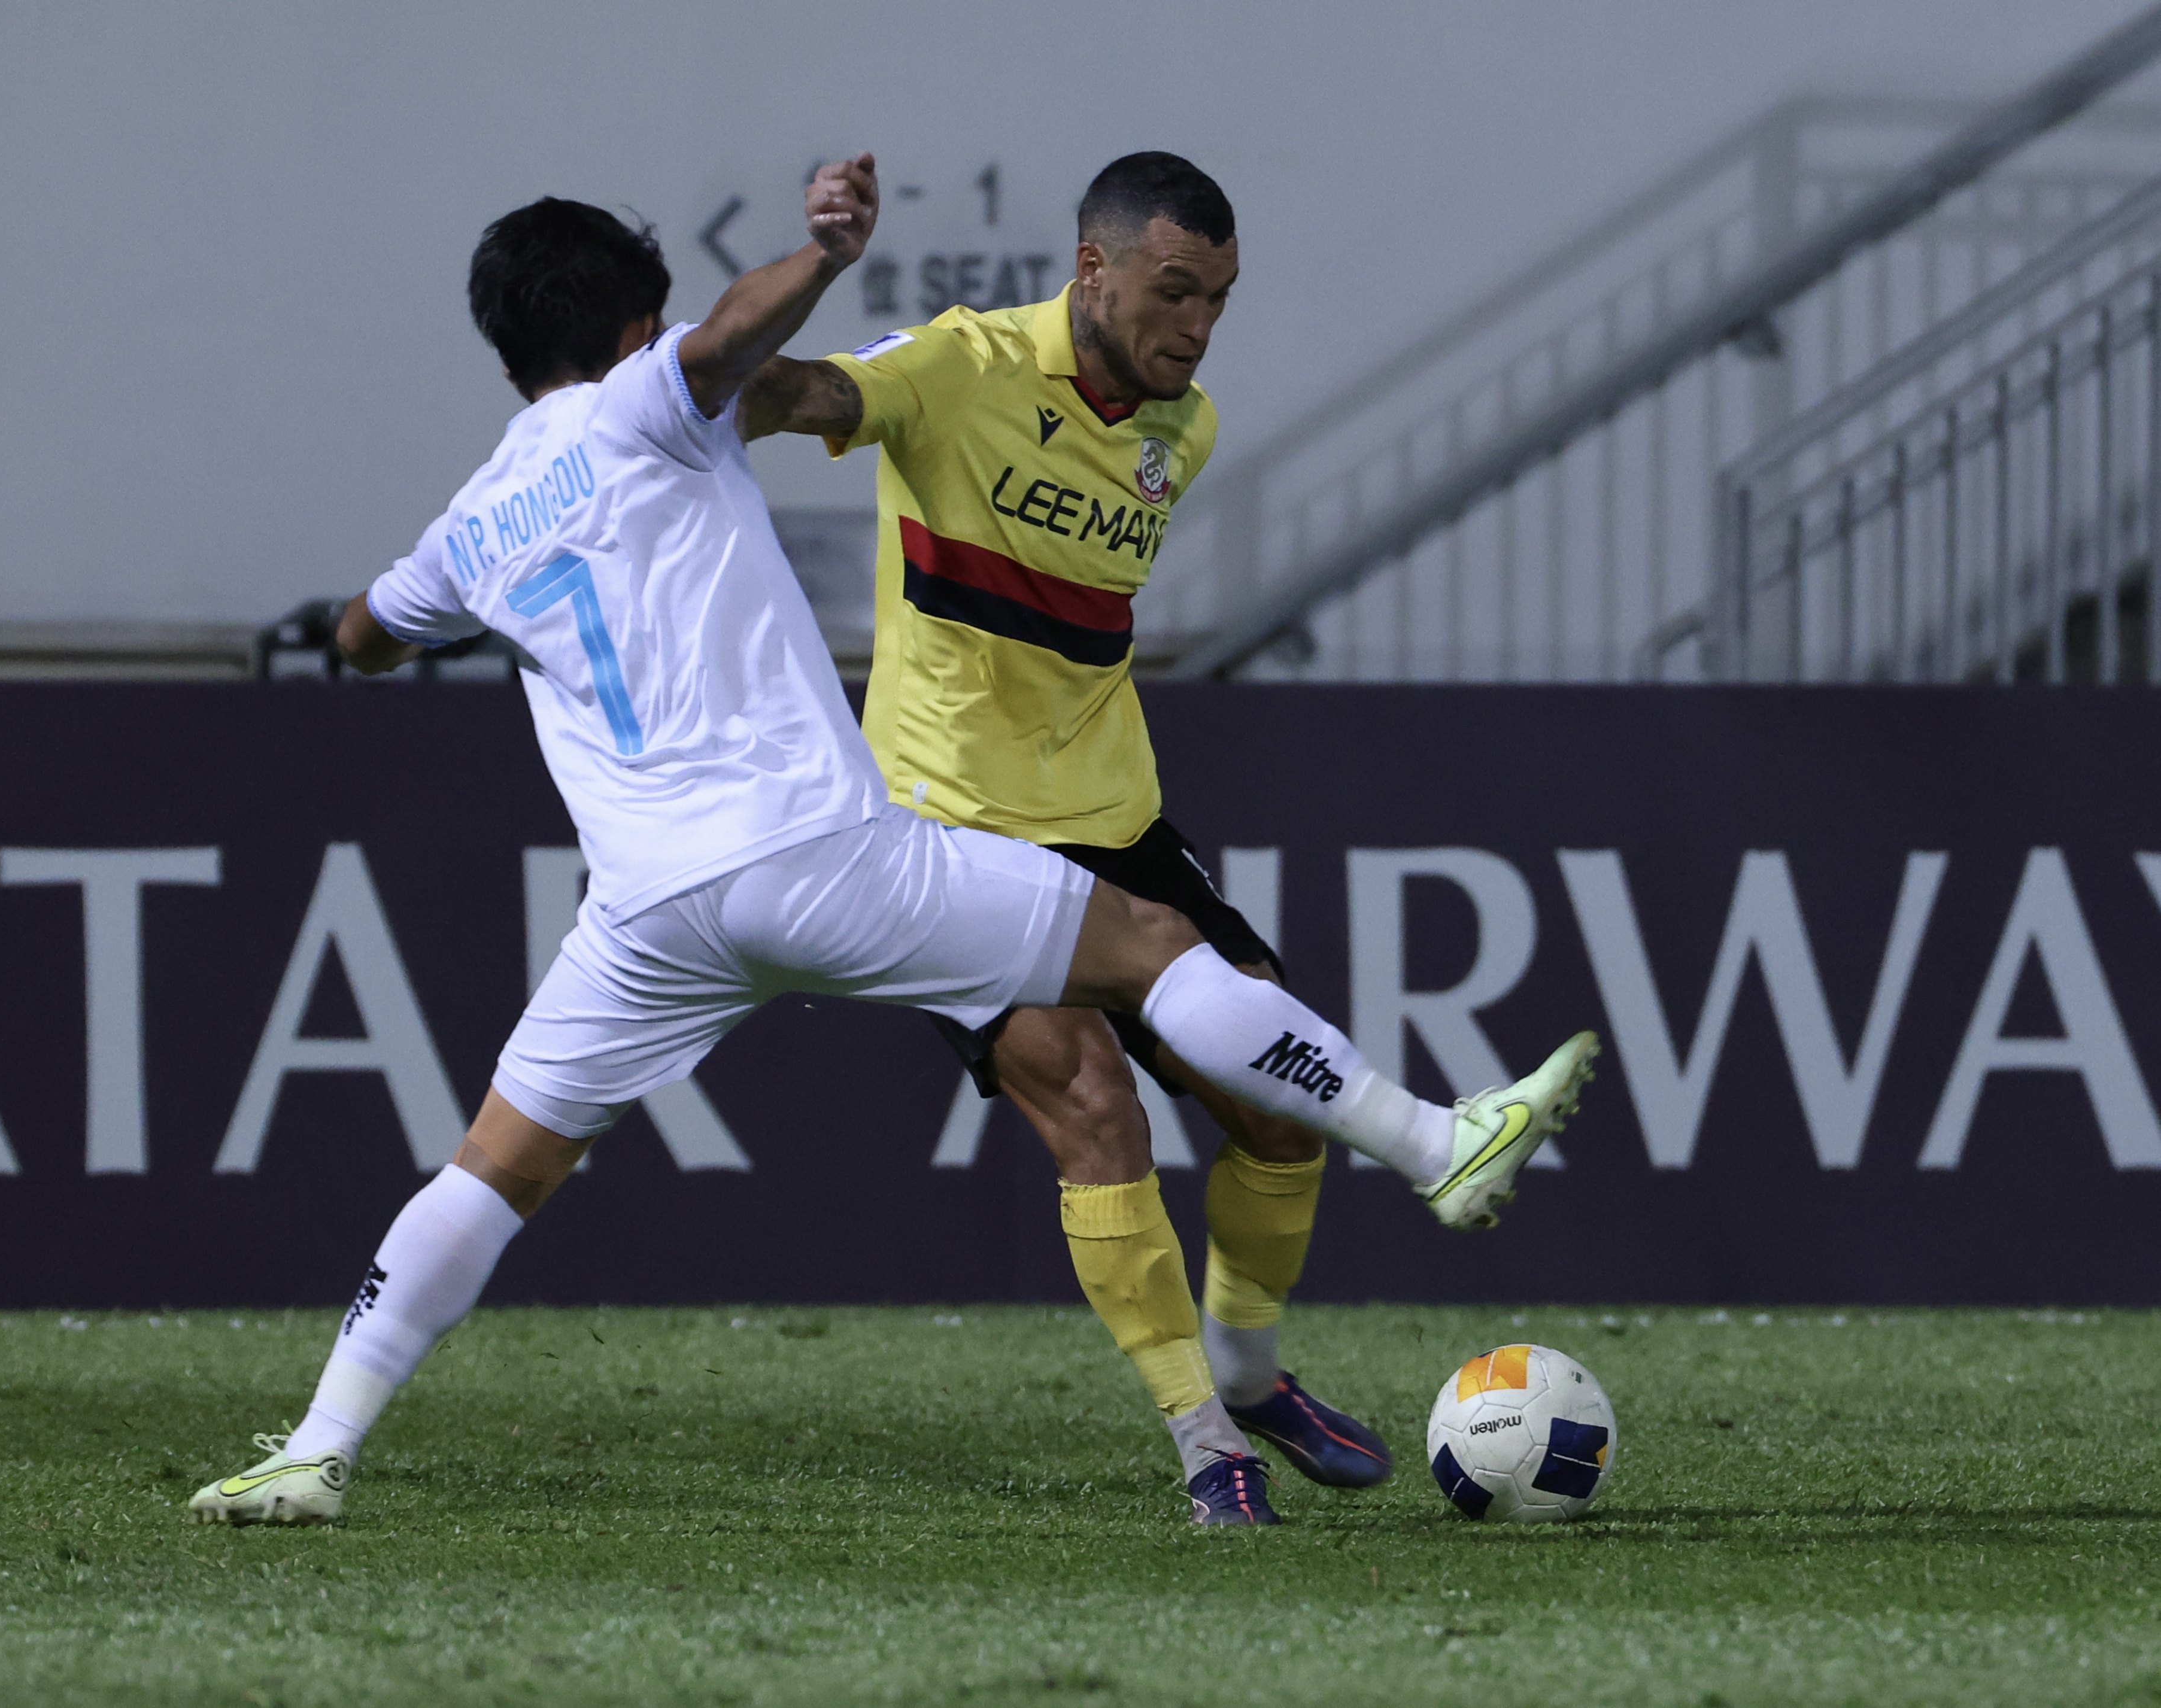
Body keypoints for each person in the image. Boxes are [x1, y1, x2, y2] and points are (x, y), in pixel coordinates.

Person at [188, 154, 1595, 1531]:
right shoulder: (648, 404)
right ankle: (1429, 1140)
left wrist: (371, 637)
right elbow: (739, 340)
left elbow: (369, 630)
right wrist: (826, 253)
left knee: (490, 1172)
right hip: (819, 852)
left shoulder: (472, 523)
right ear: (633, 328)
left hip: (644, 914)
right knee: (1152, 949)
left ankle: (313, 1450)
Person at [738, 152, 1583, 1496]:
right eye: (1172, 290)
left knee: (1280, 1116)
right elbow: (788, 396)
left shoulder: (1175, 432)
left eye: (1218, 300)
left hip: (1116, 822)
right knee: (1092, 1102)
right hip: (955, 840)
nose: (1194, 327)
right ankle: (1202, 1440)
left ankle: (1251, 1377)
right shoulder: (957, 367)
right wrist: (811, 275)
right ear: (1092, 268)